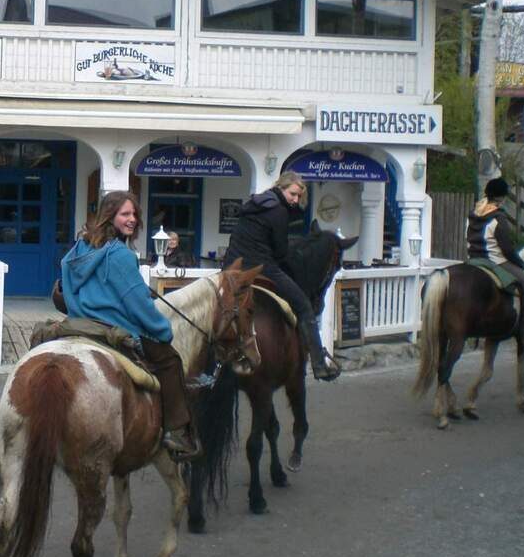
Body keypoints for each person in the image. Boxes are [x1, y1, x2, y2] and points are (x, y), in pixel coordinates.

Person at [60, 190, 200, 460]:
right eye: (125, 214)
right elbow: (139, 306)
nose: (132, 219)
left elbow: (66, 288)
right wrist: (163, 331)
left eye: (135, 213)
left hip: (78, 324)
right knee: (170, 360)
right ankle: (178, 434)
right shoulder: (121, 256)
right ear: (109, 216)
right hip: (112, 329)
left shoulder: (78, 250)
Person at [221, 171, 341, 381]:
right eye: (292, 194)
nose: (295, 199)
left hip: (232, 267)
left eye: (298, 196)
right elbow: (279, 251)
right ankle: (319, 364)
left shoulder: (253, 204)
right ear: (281, 187)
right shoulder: (279, 211)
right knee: (304, 306)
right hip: (262, 267)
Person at [467, 176, 524, 345]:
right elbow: (507, 250)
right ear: (502, 197)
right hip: (494, 260)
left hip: (473, 259)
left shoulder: (473, 214)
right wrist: (521, 263)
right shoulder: (498, 218)